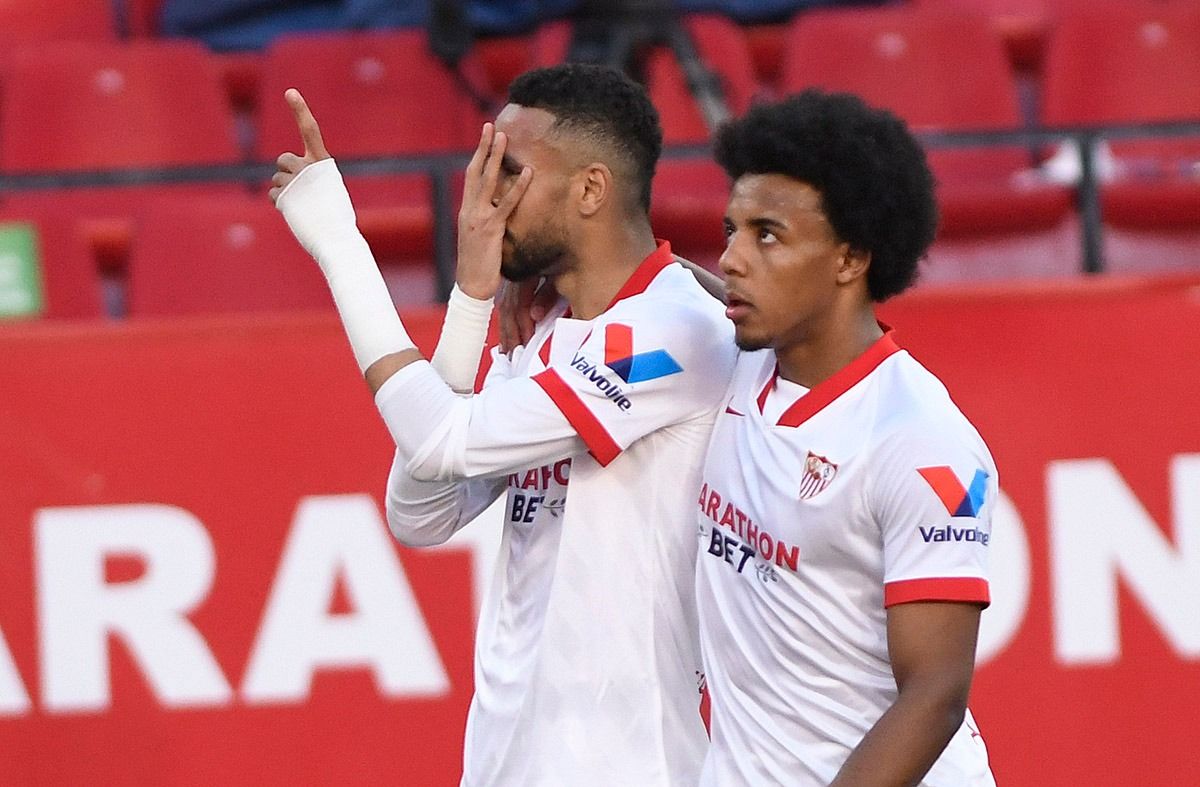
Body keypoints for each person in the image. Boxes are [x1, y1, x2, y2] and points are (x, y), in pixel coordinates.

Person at [270, 64, 736, 785]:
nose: (484, 200)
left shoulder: (670, 332)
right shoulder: (547, 330)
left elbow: (438, 438)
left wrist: (341, 246)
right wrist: (472, 301)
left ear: (589, 189)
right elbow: (420, 509)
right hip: (506, 760)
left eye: (508, 171)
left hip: (631, 763)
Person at [689, 90, 998, 786]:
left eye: (767, 234)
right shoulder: (733, 360)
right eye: (731, 228)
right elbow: (646, 276)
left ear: (850, 258)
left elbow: (935, 694)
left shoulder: (921, 441)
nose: (733, 257)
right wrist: (528, 283)